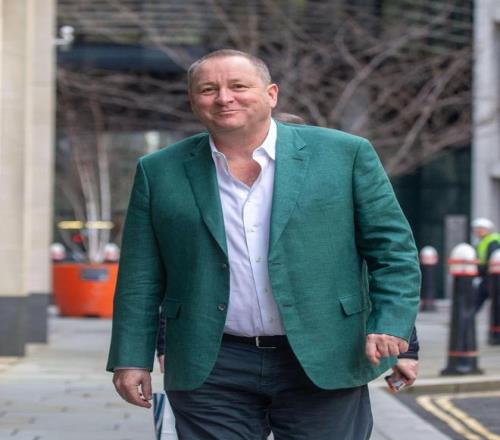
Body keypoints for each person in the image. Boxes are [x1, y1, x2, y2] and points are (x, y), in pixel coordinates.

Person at [107, 49, 420, 439]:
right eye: (208, 89)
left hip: (325, 353)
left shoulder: (345, 155)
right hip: (211, 363)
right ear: (193, 100)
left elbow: (392, 251)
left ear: (271, 94)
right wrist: (131, 357)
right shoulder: (158, 171)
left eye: (238, 86)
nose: (224, 98)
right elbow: (140, 276)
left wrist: (391, 325)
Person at [471, 217, 500, 312]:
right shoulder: (482, 241)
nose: (477, 231)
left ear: (487, 229)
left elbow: (492, 259)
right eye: (476, 229)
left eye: (480, 229)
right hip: (488, 276)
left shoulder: (492, 241)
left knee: (479, 299)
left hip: (492, 276)